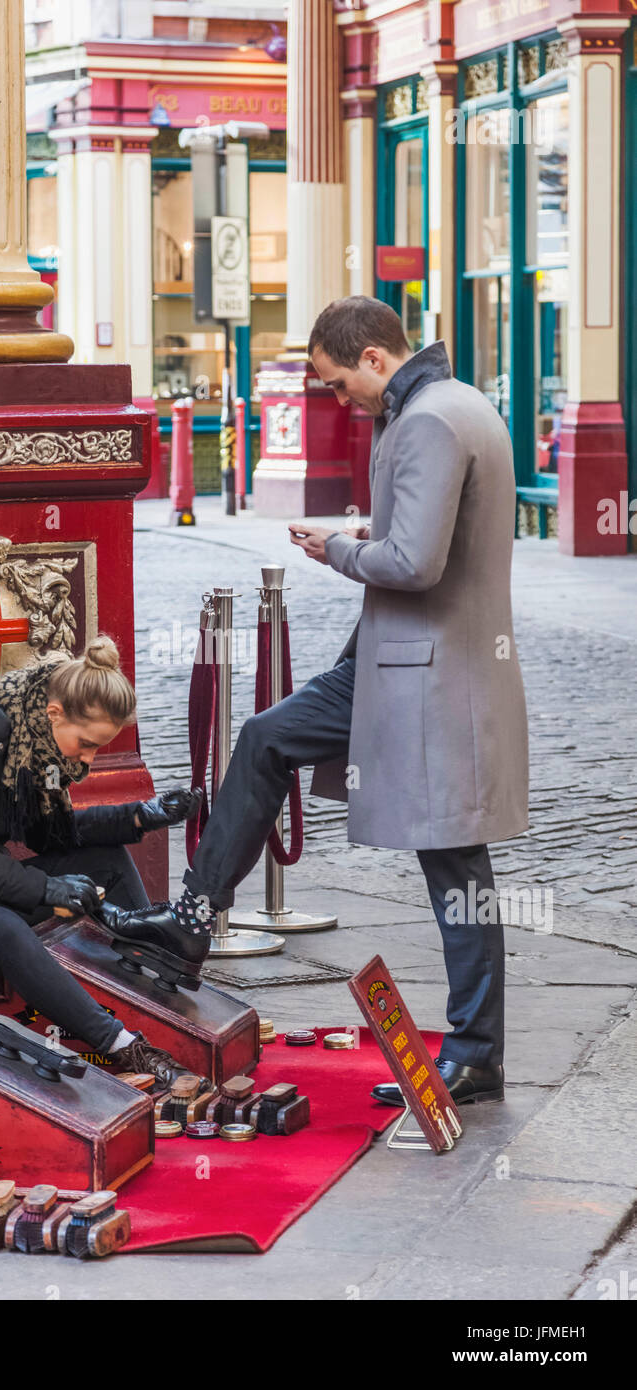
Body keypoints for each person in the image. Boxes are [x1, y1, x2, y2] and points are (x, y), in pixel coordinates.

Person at [104, 296, 530, 1107]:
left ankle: (477, 1054)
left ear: (374, 357)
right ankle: (192, 920)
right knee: (266, 737)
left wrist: (334, 547)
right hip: (394, 661)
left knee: (457, 865)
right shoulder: (455, 405)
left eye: (340, 384)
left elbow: (413, 562)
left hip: (430, 677)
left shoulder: (431, 420)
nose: (341, 401)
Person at [0, 634, 205, 1086]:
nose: (87, 760)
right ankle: (125, 1047)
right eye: (86, 744)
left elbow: (51, 836)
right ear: (54, 713)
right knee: (3, 927)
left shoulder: (33, 744)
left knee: (105, 858)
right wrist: (47, 890)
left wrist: (139, 816)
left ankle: (154, 980)